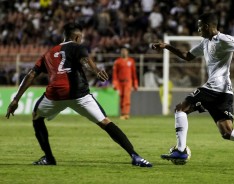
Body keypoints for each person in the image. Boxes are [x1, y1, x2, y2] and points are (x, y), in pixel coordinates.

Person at [6, 22, 152, 167]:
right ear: (76, 37)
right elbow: (85, 61)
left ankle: (49, 158)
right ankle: (135, 156)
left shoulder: (49, 53)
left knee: (36, 117)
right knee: (105, 122)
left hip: (55, 96)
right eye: (81, 38)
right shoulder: (77, 47)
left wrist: (16, 99)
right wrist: (96, 71)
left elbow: (31, 74)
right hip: (79, 95)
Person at [151, 12, 234, 167]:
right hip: (223, 93)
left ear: (208, 26)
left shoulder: (224, 39)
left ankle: (181, 150)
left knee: (180, 109)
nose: (198, 30)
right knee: (227, 132)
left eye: (200, 27)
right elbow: (187, 56)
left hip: (215, 88)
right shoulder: (205, 42)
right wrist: (167, 46)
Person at [112, 46, 138, 120]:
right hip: (120, 82)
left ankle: (126, 113)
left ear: (127, 52)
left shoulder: (131, 61)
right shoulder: (117, 61)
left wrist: (135, 83)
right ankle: (122, 113)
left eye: (125, 51)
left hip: (128, 82)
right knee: (121, 97)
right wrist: (115, 83)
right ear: (121, 52)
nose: (124, 52)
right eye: (122, 51)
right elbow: (115, 74)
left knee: (127, 97)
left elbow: (134, 74)